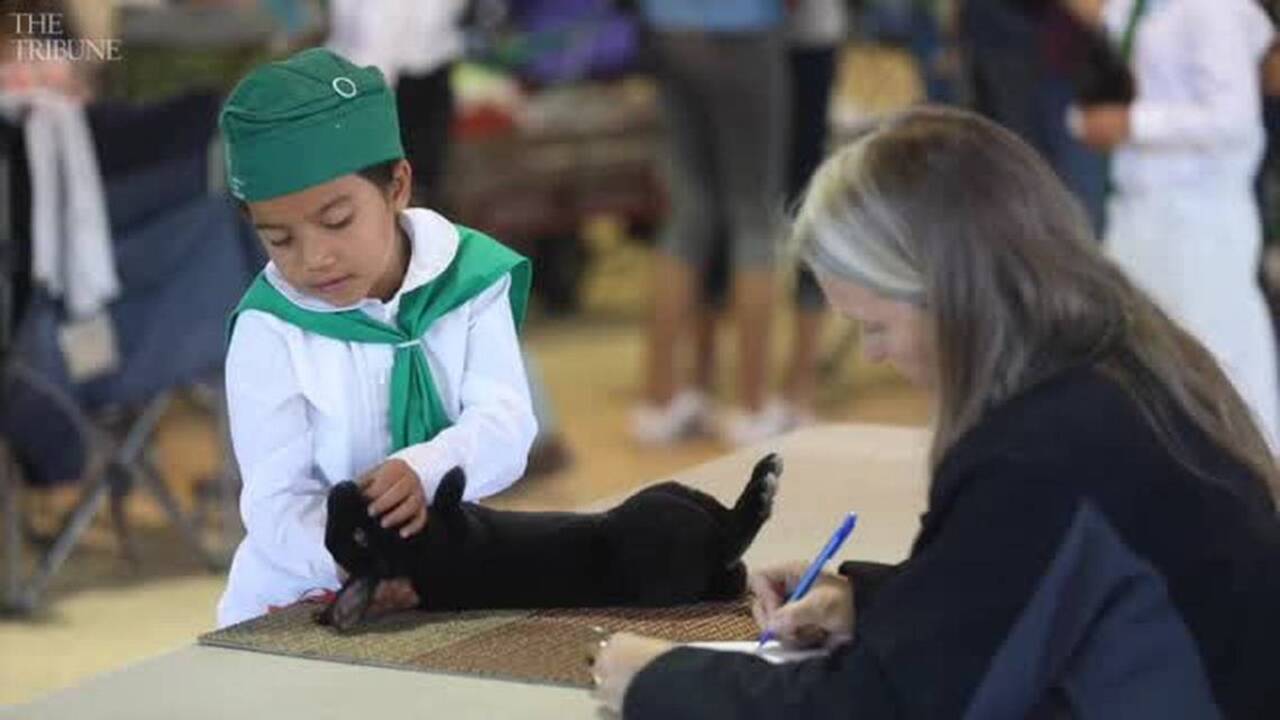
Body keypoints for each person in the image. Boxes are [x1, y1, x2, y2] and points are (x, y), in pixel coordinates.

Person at [589, 108, 1280, 718]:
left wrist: (656, 677)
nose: (876, 357)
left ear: (949, 297)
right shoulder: (1126, 366)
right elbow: (1028, 586)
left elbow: (888, 705)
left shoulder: (1043, 452)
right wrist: (875, 602)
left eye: (877, 329)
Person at [215, 48, 537, 627]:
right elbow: (275, 503)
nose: (314, 258)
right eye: (279, 240)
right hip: (300, 595)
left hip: (442, 581)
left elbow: (505, 423)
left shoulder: (469, 280)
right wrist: (358, 563)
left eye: (337, 221)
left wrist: (427, 468)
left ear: (397, 186)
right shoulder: (269, 328)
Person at [1070, 0, 1280, 448]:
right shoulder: (1150, 7)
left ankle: (1251, 472)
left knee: (1216, 350)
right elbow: (1112, 19)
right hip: (1142, 211)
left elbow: (1233, 119)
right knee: (1137, 348)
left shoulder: (1211, 9)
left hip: (1197, 213)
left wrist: (1132, 124)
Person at [629, 0, 791, 446]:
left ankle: (658, 402)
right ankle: (752, 406)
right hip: (745, 24)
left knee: (688, 213)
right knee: (755, 215)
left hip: (669, 25)